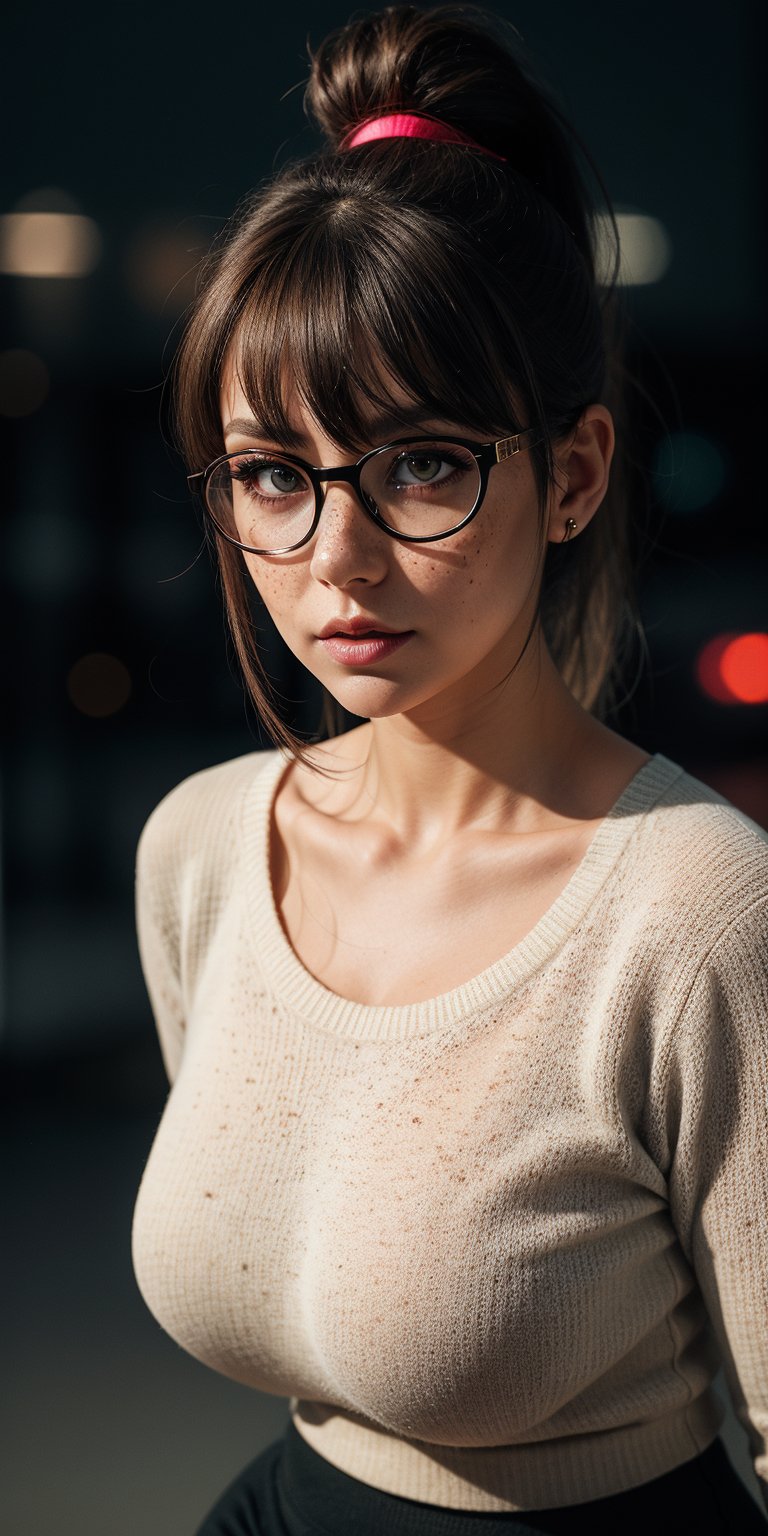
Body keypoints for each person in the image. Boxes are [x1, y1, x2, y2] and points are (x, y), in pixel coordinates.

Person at [130, 6, 768, 1532]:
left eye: (421, 463)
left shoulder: (694, 913)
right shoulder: (206, 850)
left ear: (576, 474)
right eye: (275, 475)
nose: (336, 559)